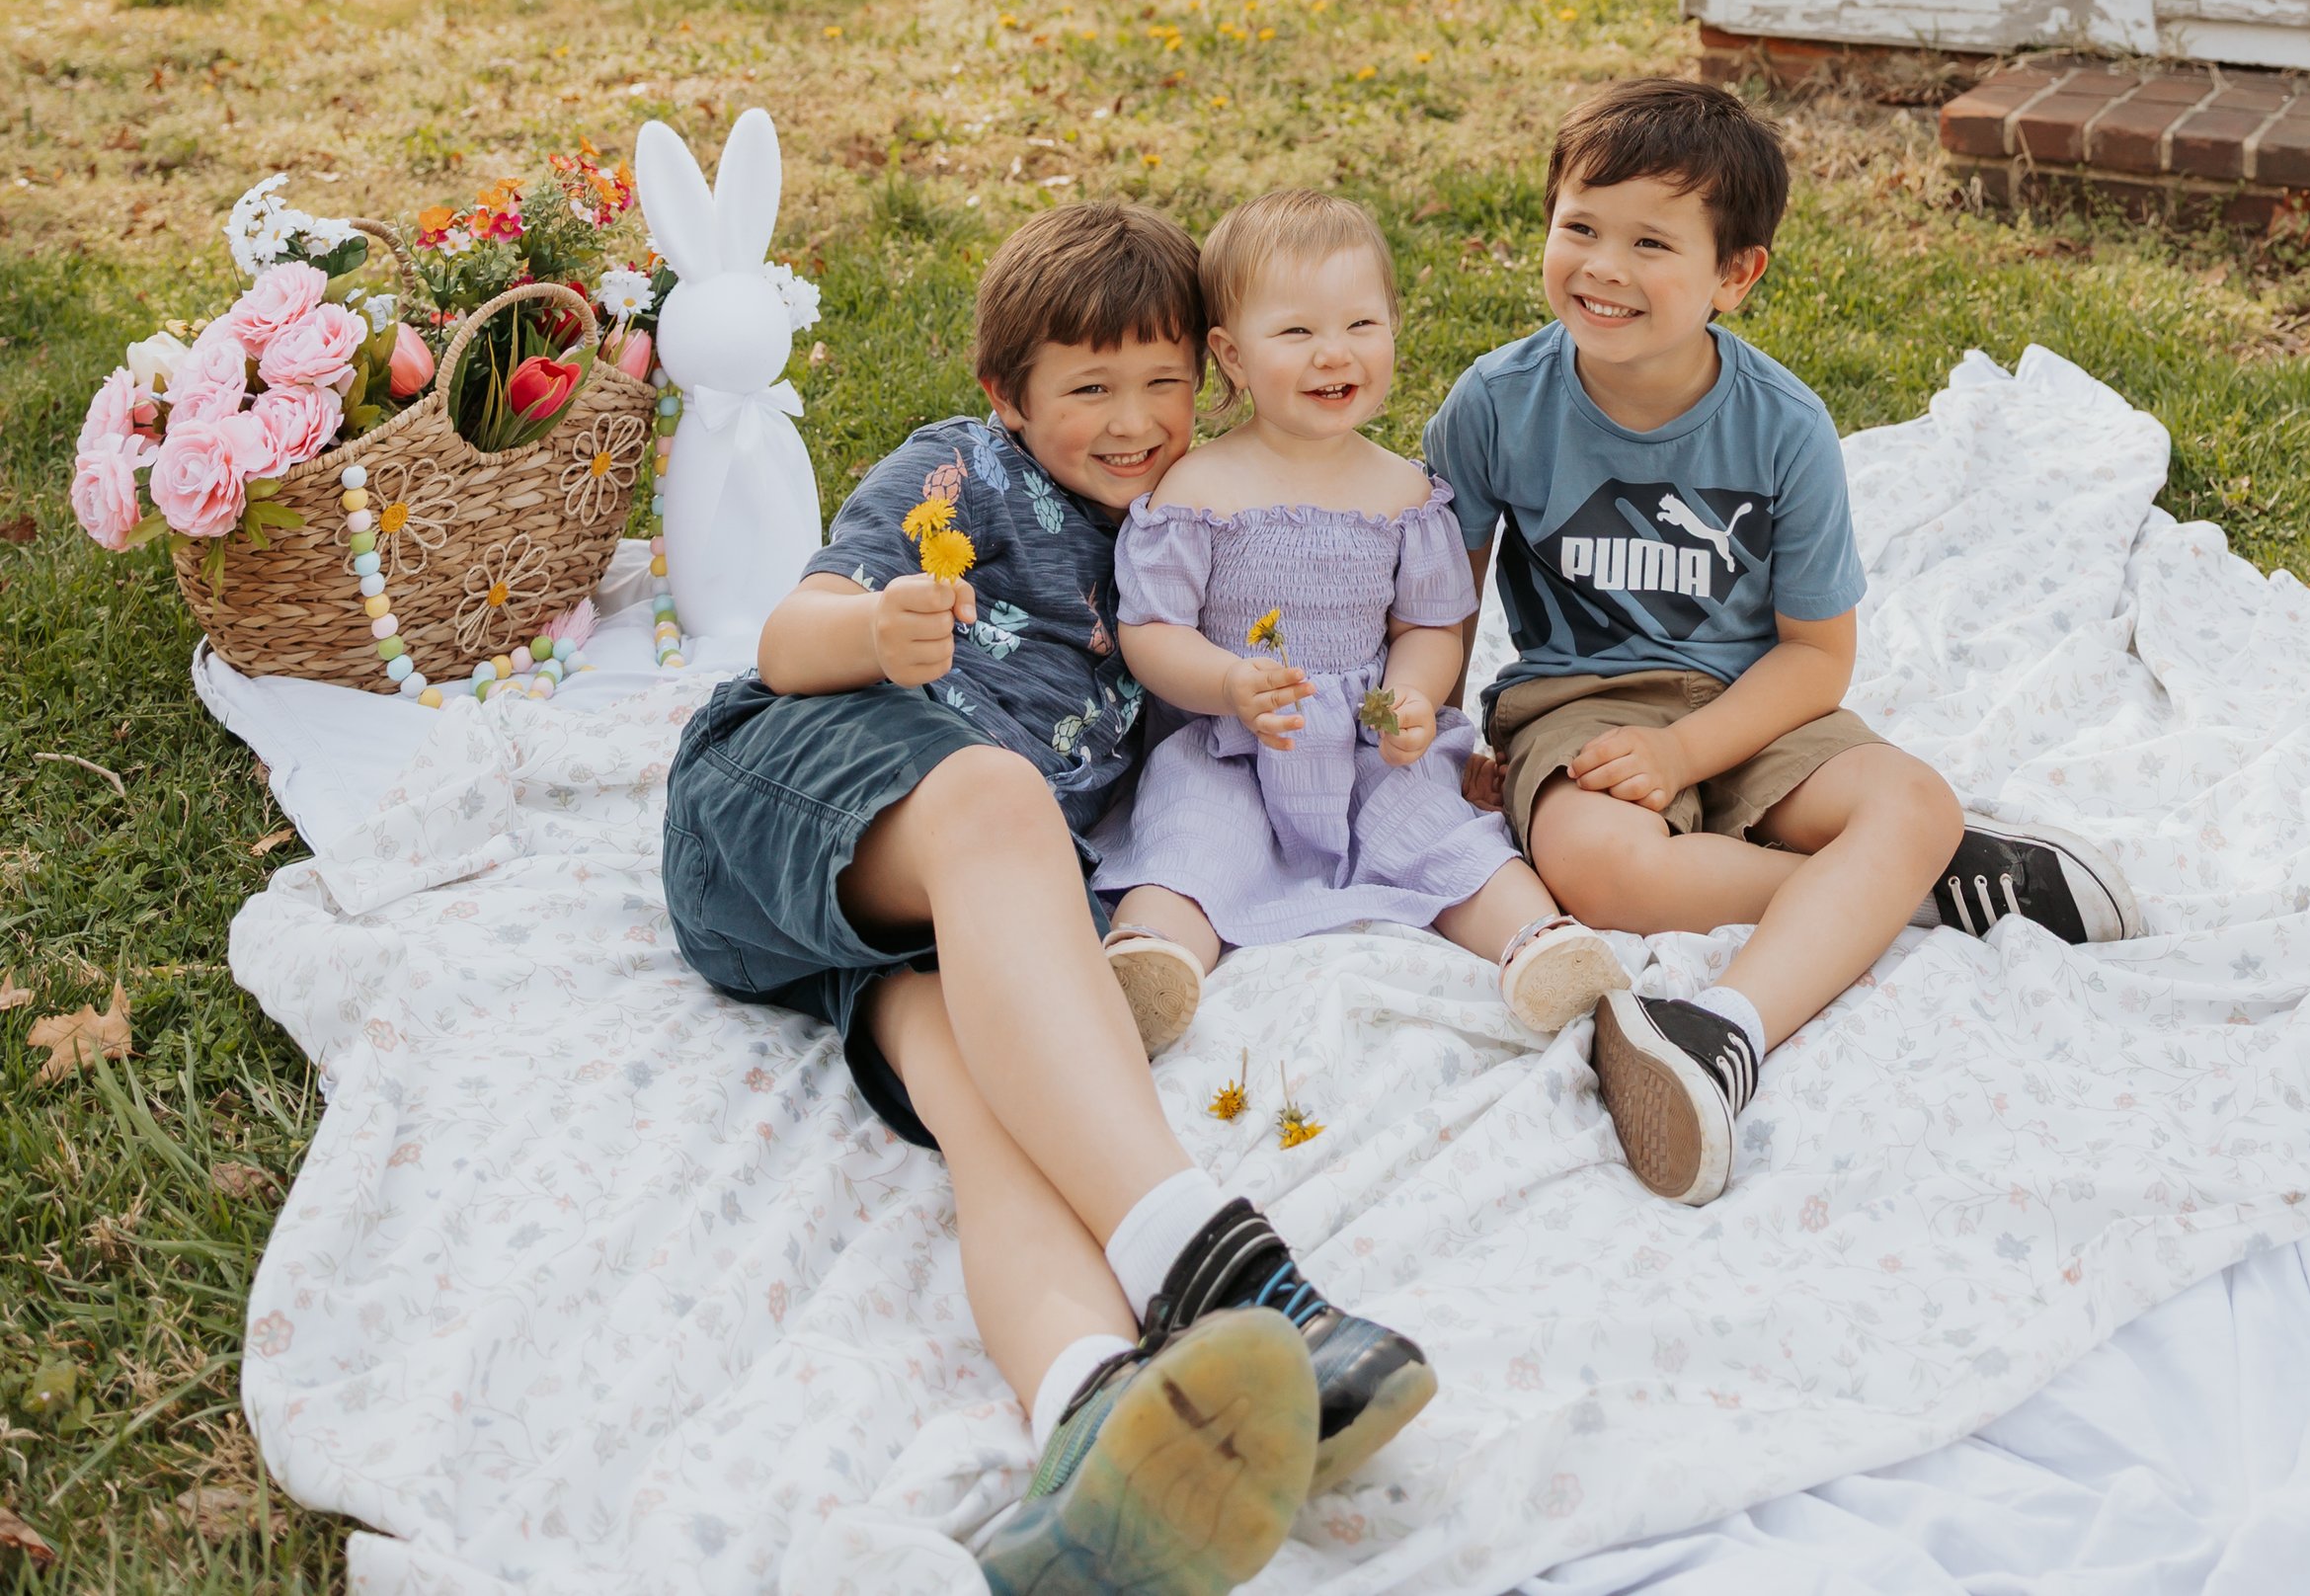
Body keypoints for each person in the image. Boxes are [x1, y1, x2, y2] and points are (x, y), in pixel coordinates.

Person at [662, 199, 1437, 1596]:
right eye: (1088, 388)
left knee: (1003, 1118)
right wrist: (878, 629)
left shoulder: (1196, 525)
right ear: (1005, 397)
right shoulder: (957, 472)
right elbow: (786, 636)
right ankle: (1225, 1264)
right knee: (997, 794)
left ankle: (1086, 1428)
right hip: (786, 798)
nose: (1134, 421)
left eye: (1161, 385)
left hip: (924, 914)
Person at [1426, 77, 2142, 1208]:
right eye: (1579, 227)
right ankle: (1914, 892)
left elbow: (1816, 655)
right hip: (1578, 709)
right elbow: (1441, 603)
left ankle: (1721, 1028)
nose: (1602, 268)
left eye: (1651, 243)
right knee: (1595, 869)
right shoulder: (1494, 404)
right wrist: (1441, 738)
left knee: (1910, 801)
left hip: (1755, 701)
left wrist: (1691, 754)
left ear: (1734, 275)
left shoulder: (1783, 426)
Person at [1093, 188, 1628, 1062]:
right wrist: (1227, 683)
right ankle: (1151, 961)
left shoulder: (1403, 494)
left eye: (1361, 325)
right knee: (1194, 838)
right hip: (1232, 740)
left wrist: (1414, 697)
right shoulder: (1198, 492)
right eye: (1296, 333)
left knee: (1441, 834)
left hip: (1363, 741)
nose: (1332, 353)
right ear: (1229, 354)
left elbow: (1428, 624)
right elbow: (1152, 629)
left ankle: (1535, 943)